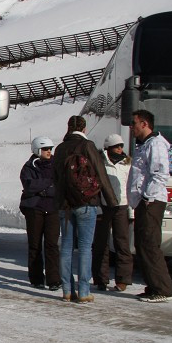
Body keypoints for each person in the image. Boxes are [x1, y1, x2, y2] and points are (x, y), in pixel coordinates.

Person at [52, 115, 118, 303]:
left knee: (65, 246)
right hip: (86, 203)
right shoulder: (88, 146)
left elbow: (55, 178)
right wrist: (111, 201)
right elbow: (101, 173)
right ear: (84, 128)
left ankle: (66, 290)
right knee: (84, 248)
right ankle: (83, 291)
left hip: (65, 206)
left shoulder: (60, 149)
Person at [127, 109, 172, 303]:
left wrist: (148, 196)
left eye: (134, 123)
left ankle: (163, 288)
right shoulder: (144, 145)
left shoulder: (155, 144)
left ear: (144, 124)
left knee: (149, 244)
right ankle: (153, 285)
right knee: (142, 244)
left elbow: (161, 173)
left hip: (151, 201)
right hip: (143, 201)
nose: (131, 127)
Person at [91, 133, 134, 292]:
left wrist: (131, 210)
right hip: (104, 205)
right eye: (116, 146)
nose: (120, 149)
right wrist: (99, 208)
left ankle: (123, 280)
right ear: (108, 148)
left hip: (122, 206)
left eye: (121, 146)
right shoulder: (101, 163)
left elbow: (130, 187)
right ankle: (101, 278)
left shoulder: (127, 164)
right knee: (101, 244)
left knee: (122, 243)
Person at [19, 136, 61, 290]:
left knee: (52, 245)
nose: (49, 151)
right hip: (34, 209)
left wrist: (43, 188)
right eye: (45, 149)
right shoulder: (29, 166)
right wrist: (48, 184)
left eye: (50, 149)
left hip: (52, 209)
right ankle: (36, 278)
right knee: (35, 245)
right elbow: (29, 185)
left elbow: (59, 186)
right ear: (37, 150)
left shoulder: (57, 165)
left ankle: (54, 280)